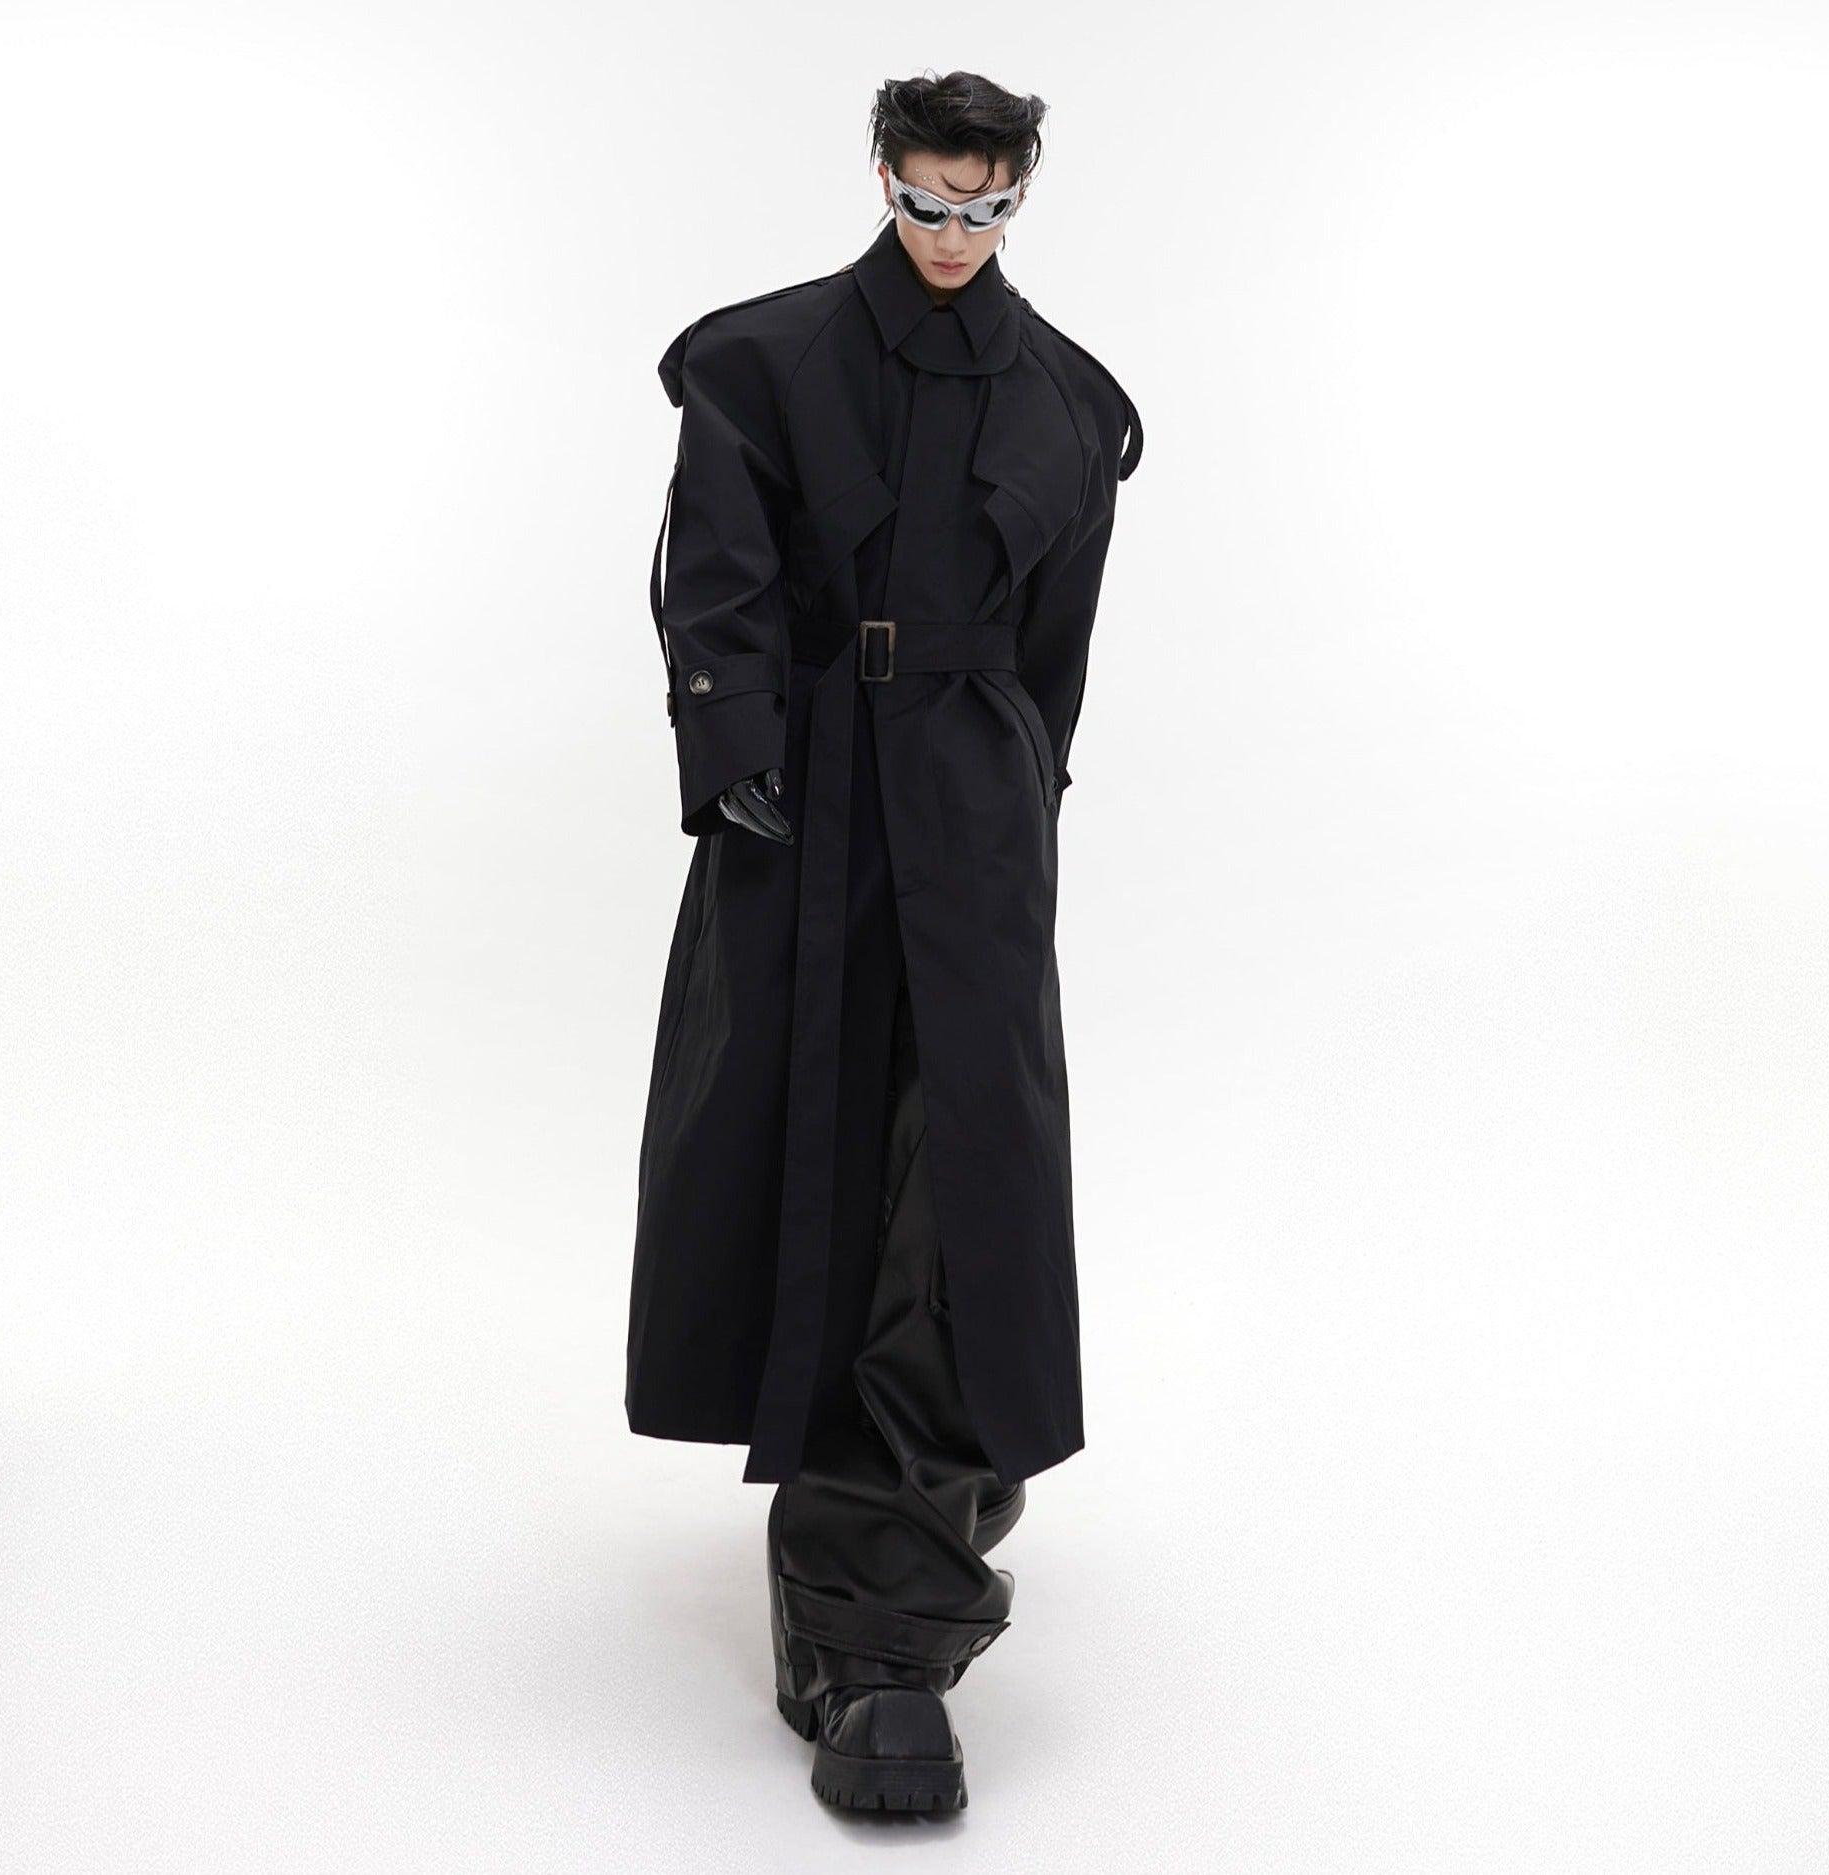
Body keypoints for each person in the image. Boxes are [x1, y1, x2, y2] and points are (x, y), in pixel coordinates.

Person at [628, 68, 1143, 1813]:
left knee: (960, 1170)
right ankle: (856, 1561)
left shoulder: (1072, 405)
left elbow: (1056, 651)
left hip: (972, 821)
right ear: (883, 177)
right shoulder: (760, 361)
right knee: (809, 1146)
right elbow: (709, 576)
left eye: (983, 208)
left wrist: (1021, 802)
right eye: (928, 200)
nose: (952, 235)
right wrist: (733, 754)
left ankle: (885, 1601)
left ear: (1019, 198)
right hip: (803, 809)